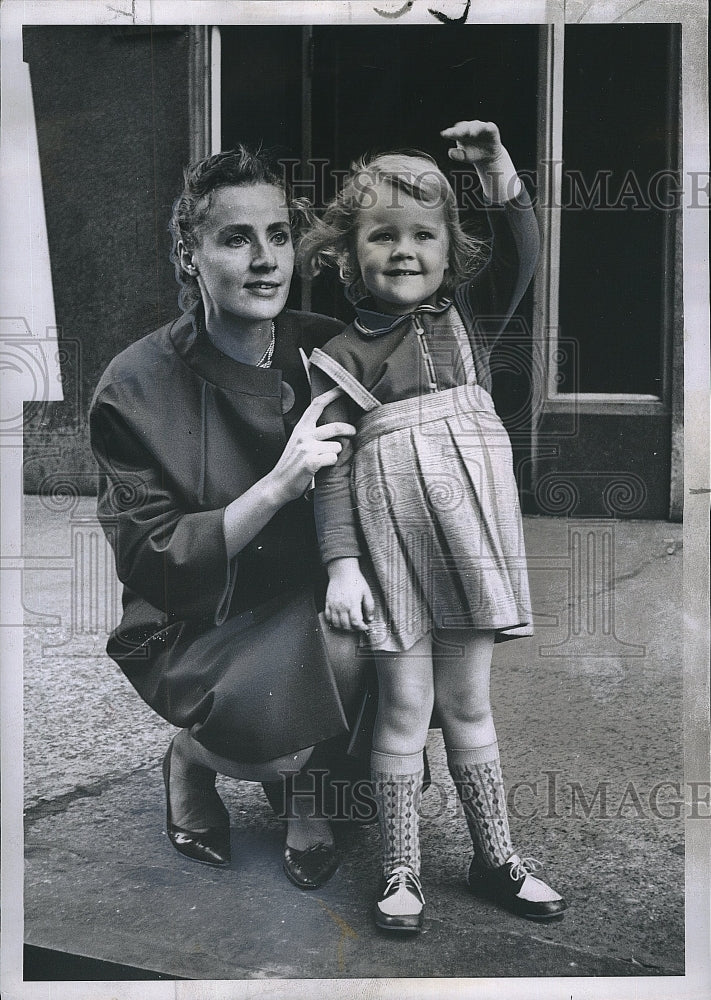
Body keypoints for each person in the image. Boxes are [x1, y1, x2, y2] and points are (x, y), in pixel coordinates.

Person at [298, 120, 567, 929]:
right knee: (403, 709)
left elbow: (525, 246)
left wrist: (497, 172)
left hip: (468, 541)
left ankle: (495, 858)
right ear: (350, 257)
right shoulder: (339, 356)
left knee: (469, 704)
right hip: (391, 552)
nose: (405, 250)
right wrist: (343, 566)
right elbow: (331, 471)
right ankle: (399, 870)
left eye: (425, 234)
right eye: (383, 235)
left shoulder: (465, 320)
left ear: (452, 252)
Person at [89, 147, 365, 890]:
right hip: (194, 621)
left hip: (305, 601)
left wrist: (509, 191)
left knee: (375, 709)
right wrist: (277, 486)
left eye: (278, 236)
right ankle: (195, 757)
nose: (265, 259)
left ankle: (305, 789)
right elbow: (153, 557)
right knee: (319, 683)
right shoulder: (132, 385)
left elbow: (454, 311)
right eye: (236, 238)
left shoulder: (324, 346)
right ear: (189, 252)